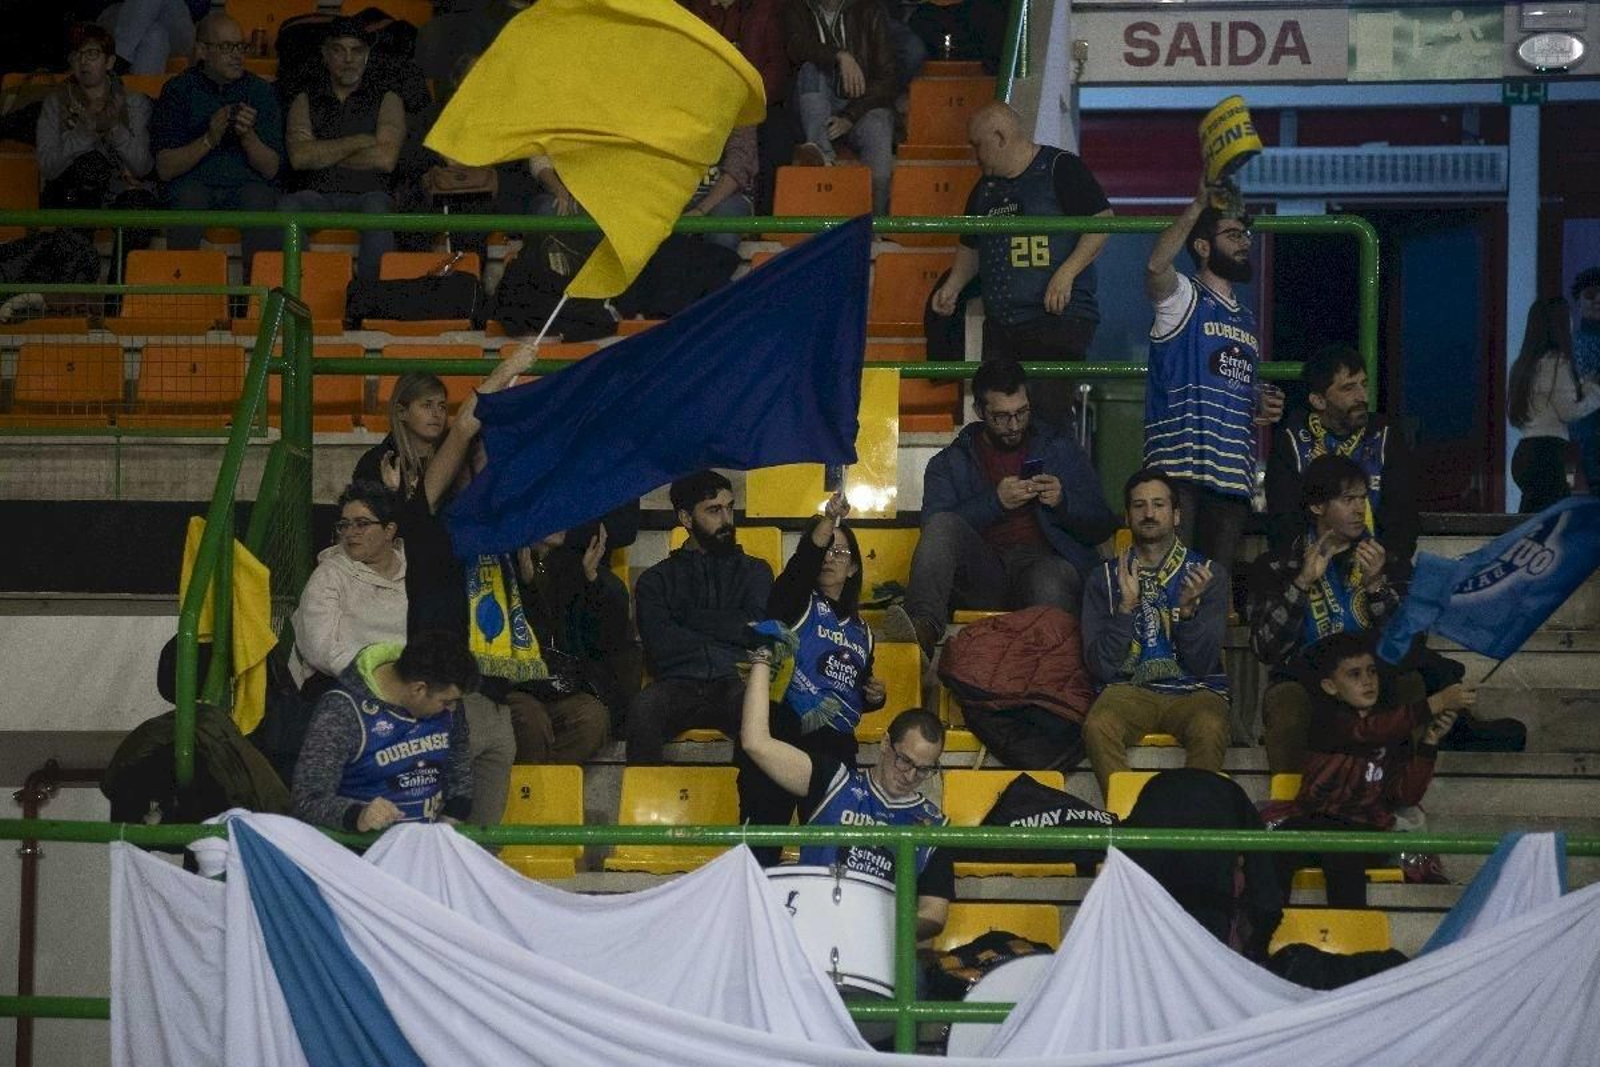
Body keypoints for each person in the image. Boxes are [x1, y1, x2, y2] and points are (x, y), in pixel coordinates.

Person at [353, 350, 534, 826]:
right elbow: (464, 429)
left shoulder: (490, 530)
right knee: (444, 843)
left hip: (491, 698)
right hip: (449, 698)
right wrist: (506, 370)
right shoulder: (423, 516)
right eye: (426, 405)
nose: (478, 470)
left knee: (484, 847)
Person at [882, 358, 1117, 659]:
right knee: (942, 524)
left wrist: (1063, 502)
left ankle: (1052, 674)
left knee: (1050, 578)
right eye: (1002, 417)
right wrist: (994, 503)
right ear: (980, 412)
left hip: (1044, 563)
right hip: (984, 573)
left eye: (1022, 412)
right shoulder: (948, 463)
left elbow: (1101, 523)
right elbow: (934, 529)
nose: (1015, 425)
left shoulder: (1060, 448)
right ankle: (923, 631)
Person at [740, 648, 952, 938]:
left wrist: (881, 928)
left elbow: (934, 913)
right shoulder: (833, 781)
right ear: (885, 743)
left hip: (879, 948)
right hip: (811, 936)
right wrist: (762, 660)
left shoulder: (934, 825)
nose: (911, 776)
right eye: (905, 760)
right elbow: (756, 743)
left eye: (924, 769)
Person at [927, 102, 1113, 424]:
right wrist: (953, 286)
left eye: (977, 145)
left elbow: (1102, 222)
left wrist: (1066, 273)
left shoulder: (1061, 168)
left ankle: (1050, 474)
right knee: (998, 418)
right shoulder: (984, 189)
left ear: (999, 138)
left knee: (1047, 417)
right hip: (1003, 326)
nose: (975, 154)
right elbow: (971, 244)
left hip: (1056, 321)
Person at [1143, 177, 1283, 581]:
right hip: (1178, 474)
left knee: (1212, 597)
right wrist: (1198, 202)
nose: (1245, 242)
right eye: (1234, 234)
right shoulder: (1184, 297)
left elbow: (1226, 378)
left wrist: (1255, 401)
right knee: (1168, 588)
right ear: (1203, 247)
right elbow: (1155, 266)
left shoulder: (1246, 317)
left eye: (1247, 234)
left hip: (1231, 481)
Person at [1270, 632, 1474, 907]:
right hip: (1313, 823)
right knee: (1276, 846)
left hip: (1364, 832)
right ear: (1331, 686)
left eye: (1372, 672)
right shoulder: (1327, 719)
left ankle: (1351, 939)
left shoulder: (1395, 733)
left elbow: (1406, 797)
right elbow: (1366, 731)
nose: (1367, 681)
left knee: (1344, 846)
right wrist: (1435, 702)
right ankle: (1260, 937)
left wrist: (1429, 743)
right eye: (1354, 675)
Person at [740, 491, 886, 859]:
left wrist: (874, 697)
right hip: (782, 732)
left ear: (854, 568)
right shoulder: (795, 600)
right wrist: (827, 522)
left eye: (840, 553)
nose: (829, 558)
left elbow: (851, 689)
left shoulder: (863, 632)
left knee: (829, 858)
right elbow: (799, 569)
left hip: (834, 747)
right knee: (761, 852)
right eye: (825, 549)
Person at [1248, 454, 1409, 774]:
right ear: (1317, 507)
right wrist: (1303, 582)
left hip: (1368, 678)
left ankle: (1398, 802)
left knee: (1411, 685)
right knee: (1285, 700)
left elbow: (1405, 645)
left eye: (1363, 499)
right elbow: (1265, 648)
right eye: (1348, 499)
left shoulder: (1384, 561)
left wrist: (1376, 586)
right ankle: (1288, 809)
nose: (1359, 509)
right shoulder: (1277, 566)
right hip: (1307, 679)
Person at [1080, 468, 1230, 797]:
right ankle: (1132, 827)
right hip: (1128, 689)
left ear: (1176, 515)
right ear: (1127, 516)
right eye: (1139, 506)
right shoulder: (1102, 578)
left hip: (1195, 690)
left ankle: (1191, 830)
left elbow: (1203, 663)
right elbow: (1100, 666)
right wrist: (1125, 609)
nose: (1149, 513)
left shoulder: (1208, 574)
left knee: (1211, 725)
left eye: (1159, 504)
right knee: (1098, 724)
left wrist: (1188, 612)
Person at [625, 471, 775, 762]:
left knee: (762, 710)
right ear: (686, 519)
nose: (727, 520)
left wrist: (687, 616)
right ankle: (649, 805)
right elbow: (661, 648)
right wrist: (730, 627)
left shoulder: (756, 572)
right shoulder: (656, 581)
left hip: (736, 680)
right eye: (714, 510)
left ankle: (751, 807)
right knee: (643, 709)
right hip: (677, 684)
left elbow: (756, 632)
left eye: (730, 508)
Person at [291, 630, 481, 833]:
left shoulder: (448, 701)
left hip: (425, 848)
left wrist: (451, 818)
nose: (452, 709)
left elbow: (459, 768)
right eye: (446, 702)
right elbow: (307, 800)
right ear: (419, 689)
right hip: (357, 855)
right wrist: (358, 815)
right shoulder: (343, 710)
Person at [1266, 344, 1419, 589]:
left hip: (1376, 565)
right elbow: (1283, 522)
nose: (1363, 397)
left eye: (1363, 384)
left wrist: (1380, 562)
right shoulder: (1292, 440)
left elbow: (1404, 519)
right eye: (1349, 388)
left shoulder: (1386, 436)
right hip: (1312, 565)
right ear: (1318, 400)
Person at [150, 12, 282, 266]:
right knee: (188, 200)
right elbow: (165, 168)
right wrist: (209, 138)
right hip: (192, 185)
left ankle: (255, 300)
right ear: (202, 50)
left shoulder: (260, 91)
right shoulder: (178, 90)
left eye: (240, 46)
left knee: (260, 201)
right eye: (226, 47)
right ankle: (183, 297)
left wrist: (248, 136)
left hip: (247, 185)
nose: (237, 55)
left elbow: (271, 168)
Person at [280, 18, 405, 280]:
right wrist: (359, 141)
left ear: (366, 56)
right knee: (288, 205)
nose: (348, 59)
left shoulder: (387, 98)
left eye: (356, 50)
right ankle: (301, 292)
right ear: (325, 55)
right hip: (316, 196)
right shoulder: (305, 98)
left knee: (377, 209)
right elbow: (300, 158)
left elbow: (385, 159)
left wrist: (323, 152)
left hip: (368, 195)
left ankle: (370, 299)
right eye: (339, 50)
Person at [514, 523, 642, 735]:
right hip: (520, 687)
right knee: (531, 722)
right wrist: (525, 587)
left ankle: (554, 769)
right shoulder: (504, 563)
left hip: (569, 686)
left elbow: (607, 638)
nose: (561, 520)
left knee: (592, 719)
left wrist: (592, 580)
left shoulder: (578, 567)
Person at [288, 481, 408, 702]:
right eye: (345, 524)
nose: (351, 533)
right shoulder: (329, 575)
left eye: (362, 524)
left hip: (409, 685)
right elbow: (318, 647)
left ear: (389, 530)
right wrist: (375, 678)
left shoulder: (416, 573)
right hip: (344, 686)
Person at [782, 0, 897, 216]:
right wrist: (841, 56)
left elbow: (887, 78)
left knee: (879, 140)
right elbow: (797, 47)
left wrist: (849, 117)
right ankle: (821, 153)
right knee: (810, 69)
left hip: (862, 106)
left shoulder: (869, 9)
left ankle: (874, 226)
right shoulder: (798, 7)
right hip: (813, 106)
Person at [36, 23, 156, 221]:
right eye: (77, 54)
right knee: (87, 166)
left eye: (92, 53)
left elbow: (142, 166)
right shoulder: (55, 103)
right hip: (70, 190)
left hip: (120, 190)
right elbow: (48, 167)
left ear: (109, 62)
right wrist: (86, 131)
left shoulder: (133, 102)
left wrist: (115, 129)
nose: (83, 61)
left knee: (138, 204)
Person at [1510, 297, 1600, 511]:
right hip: (1547, 454)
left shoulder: (1523, 364)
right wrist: (1595, 391)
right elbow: (1569, 412)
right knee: (1551, 521)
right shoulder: (1556, 362)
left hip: (1525, 451)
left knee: (1532, 520)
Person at [683, 125, 757, 252]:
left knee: (723, 230)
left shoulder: (740, 113)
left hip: (729, 196)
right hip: (676, 195)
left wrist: (700, 210)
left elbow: (736, 171)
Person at [1568, 266, 1600, 491]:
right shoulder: (1573, 344)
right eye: (1590, 295)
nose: (1598, 300)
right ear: (1578, 301)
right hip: (1585, 439)